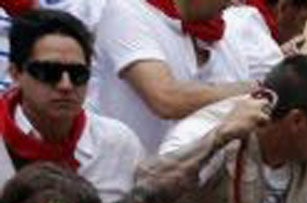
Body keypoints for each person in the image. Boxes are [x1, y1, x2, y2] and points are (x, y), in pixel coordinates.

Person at [0, 11, 145, 203]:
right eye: (49, 72)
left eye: (78, 74)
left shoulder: (118, 145)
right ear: (15, 74)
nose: (66, 85)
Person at [89, 0, 266, 157]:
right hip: (139, 181)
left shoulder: (225, 30)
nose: (232, 2)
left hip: (209, 183)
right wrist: (248, 90)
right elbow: (166, 99)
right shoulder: (126, 10)